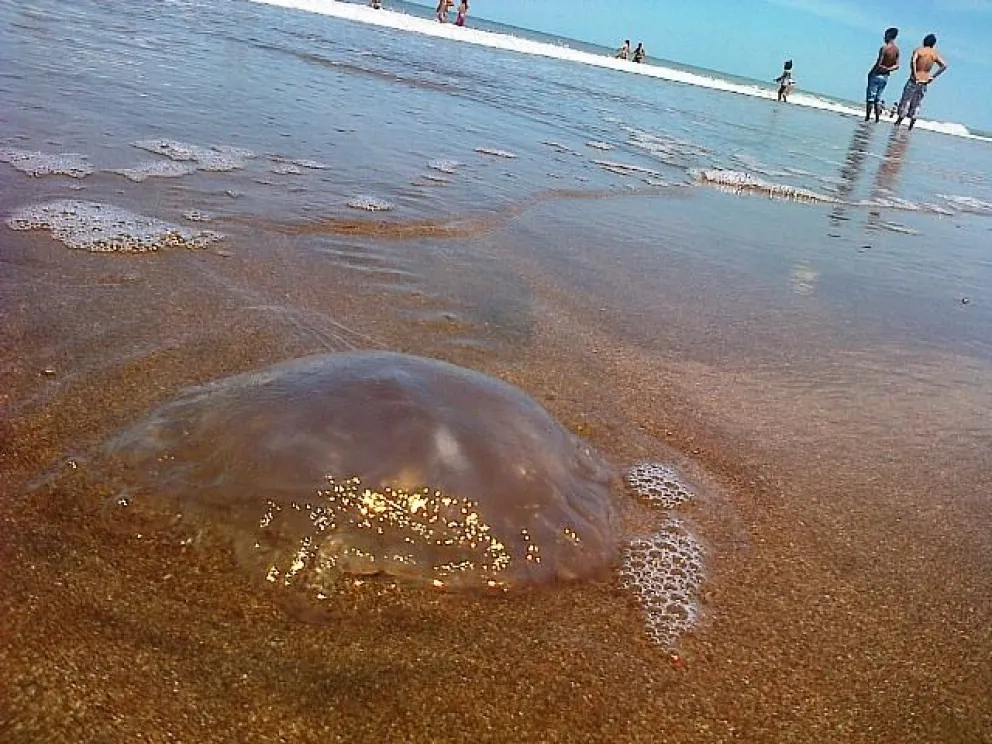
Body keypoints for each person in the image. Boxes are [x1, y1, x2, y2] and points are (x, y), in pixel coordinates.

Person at [895, 34, 948, 130]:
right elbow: (944, 65)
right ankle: (911, 125)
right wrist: (932, 77)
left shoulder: (919, 50)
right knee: (917, 103)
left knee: (906, 101)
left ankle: (899, 122)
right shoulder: (934, 54)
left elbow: (913, 61)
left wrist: (914, 73)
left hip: (914, 80)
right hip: (924, 81)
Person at [866, 27, 900, 122]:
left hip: (877, 74)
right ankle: (877, 119)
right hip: (886, 76)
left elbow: (879, 63)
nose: (884, 37)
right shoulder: (896, 50)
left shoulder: (884, 48)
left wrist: (871, 72)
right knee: (878, 98)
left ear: (889, 35)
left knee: (870, 98)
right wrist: (888, 69)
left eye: (885, 35)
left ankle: (867, 118)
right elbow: (897, 66)